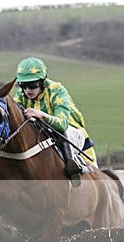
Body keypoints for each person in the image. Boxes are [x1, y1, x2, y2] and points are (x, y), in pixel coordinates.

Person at [13, 56, 96, 187]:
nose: (28, 90)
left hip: (74, 138)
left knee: (57, 130)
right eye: (23, 85)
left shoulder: (57, 90)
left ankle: (71, 167)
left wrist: (42, 115)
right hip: (46, 138)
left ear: (42, 82)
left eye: (32, 85)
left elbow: (62, 124)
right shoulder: (20, 95)